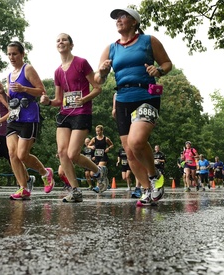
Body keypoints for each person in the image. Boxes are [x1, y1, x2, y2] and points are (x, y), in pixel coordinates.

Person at [95, 8, 172, 205]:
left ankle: (155, 176)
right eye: (116, 18)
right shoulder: (111, 48)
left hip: (146, 95)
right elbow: (98, 79)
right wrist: (102, 72)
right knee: (129, 151)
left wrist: (159, 69)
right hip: (122, 98)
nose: (118, 20)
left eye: (122, 17)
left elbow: (167, 63)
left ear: (134, 22)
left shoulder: (148, 41)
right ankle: (147, 189)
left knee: (136, 141)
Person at [40, 33, 108, 202]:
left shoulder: (81, 63)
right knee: (62, 152)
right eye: (58, 40)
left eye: (64, 40)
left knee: (72, 154)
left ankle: (99, 172)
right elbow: (58, 100)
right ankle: (75, 191)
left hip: (82, 113)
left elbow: (97, 88)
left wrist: (84, 99)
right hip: (64, 114)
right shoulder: (57, 72)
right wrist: (48, 102)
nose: (60, 42)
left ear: (71, 45)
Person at [6, 41, 54, 200]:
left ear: (22, 54)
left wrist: (24, 89)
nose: (11, 57)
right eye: (9, 54)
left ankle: (45, 173)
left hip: (29, 115)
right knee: (12, 154)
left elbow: (41, 90)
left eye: (14, 53)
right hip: (14, 116)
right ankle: (23, 188)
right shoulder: (9, 75)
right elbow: (11, 97)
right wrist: (2, 93)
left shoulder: (28, 69)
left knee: (22, 155)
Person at [0, 75, 35, 197]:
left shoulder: (0, 96)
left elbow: (13, 111)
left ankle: (27, 179)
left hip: (6, 132)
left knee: (13, 158)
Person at [88, 124, 114, 193]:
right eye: (96, 131)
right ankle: (105, 181)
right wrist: (91, 147)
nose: (98, 133)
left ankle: (98, 187)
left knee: (99, 170)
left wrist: (108, 148)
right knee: (92, 173)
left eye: (99, 131)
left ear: (102, 131)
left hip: (103, 156)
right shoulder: (94, 139)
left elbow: (112, 145)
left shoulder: (106, 139)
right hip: (97, 157)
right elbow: (88, 145)